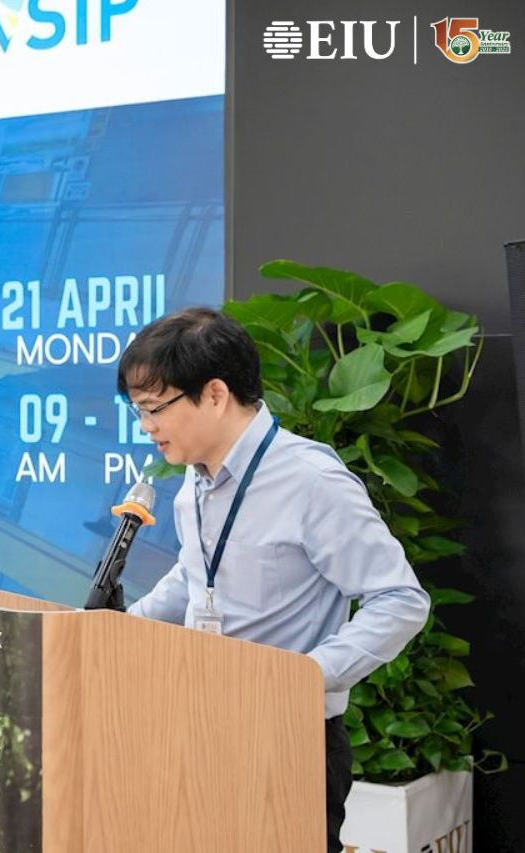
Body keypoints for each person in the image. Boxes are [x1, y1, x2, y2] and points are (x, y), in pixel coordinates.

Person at [118, 307, 430, 853]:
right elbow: (195, 576)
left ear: (215, 394)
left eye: (154, 408)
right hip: (201, 726)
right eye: (138, 410)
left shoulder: (311, 480)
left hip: (287, 739)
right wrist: (113, 629)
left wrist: (301, 679)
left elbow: (400, 599)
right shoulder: (195, 479)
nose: (146, 426)